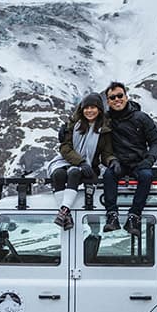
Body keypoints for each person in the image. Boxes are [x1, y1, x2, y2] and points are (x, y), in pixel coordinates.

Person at [100, 81, 157, 236]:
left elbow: (156, 142)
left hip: (139, 162)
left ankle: (134, 216)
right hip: (118, 162)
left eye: (120, 95)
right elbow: (85, 123)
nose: (117, 99)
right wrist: (65, 130)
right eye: (112, 97)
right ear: (108, 101)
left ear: (126, 97)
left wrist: (148, 161)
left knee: (146, 176)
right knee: (108, 175)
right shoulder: (106, 120)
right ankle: (112, 216)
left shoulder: (141, 118)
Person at [46, 93, 115, 230]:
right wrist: (80, 161)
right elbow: (65, 148)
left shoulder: (104, 130)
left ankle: (64, 211)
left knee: (74, 173)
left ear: (99, 109)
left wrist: (112, 161)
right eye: (86, 108)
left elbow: (106, 154)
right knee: (58, 174)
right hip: (69, 160)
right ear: (82, 110)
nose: (89, 111)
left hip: (89, 167)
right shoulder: (74, 125)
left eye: (93, 107)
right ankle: (67, 214)